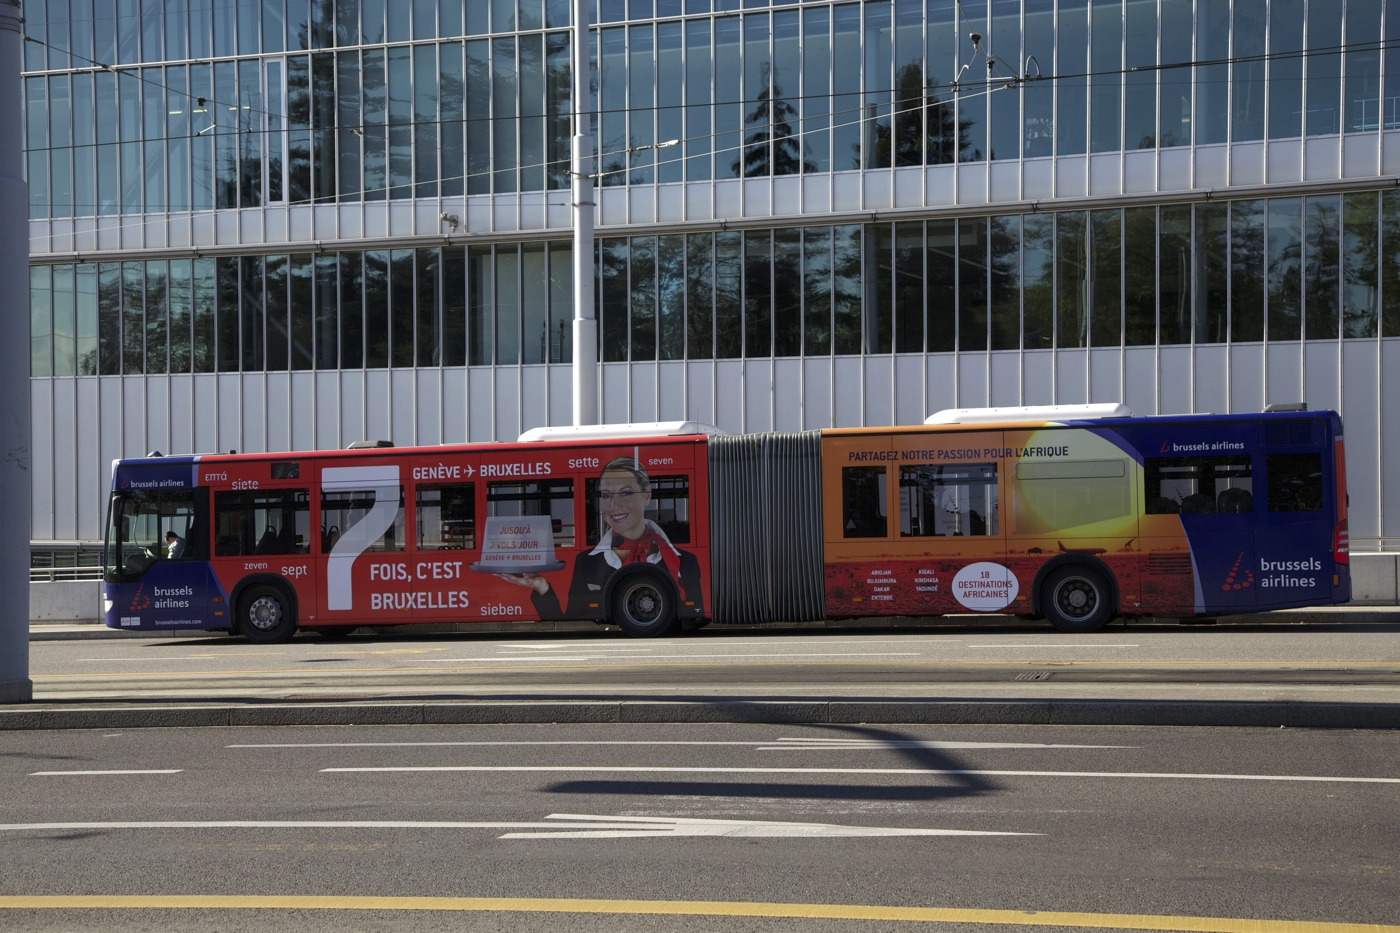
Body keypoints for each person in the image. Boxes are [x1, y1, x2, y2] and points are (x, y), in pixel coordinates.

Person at [499, 457, 704, 620]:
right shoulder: (586, 562)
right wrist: (542, 587)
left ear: (647, 495)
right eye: (606, 495)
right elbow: (571, 617)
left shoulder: (686, 561)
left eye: (625, 493)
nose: (614, 505)